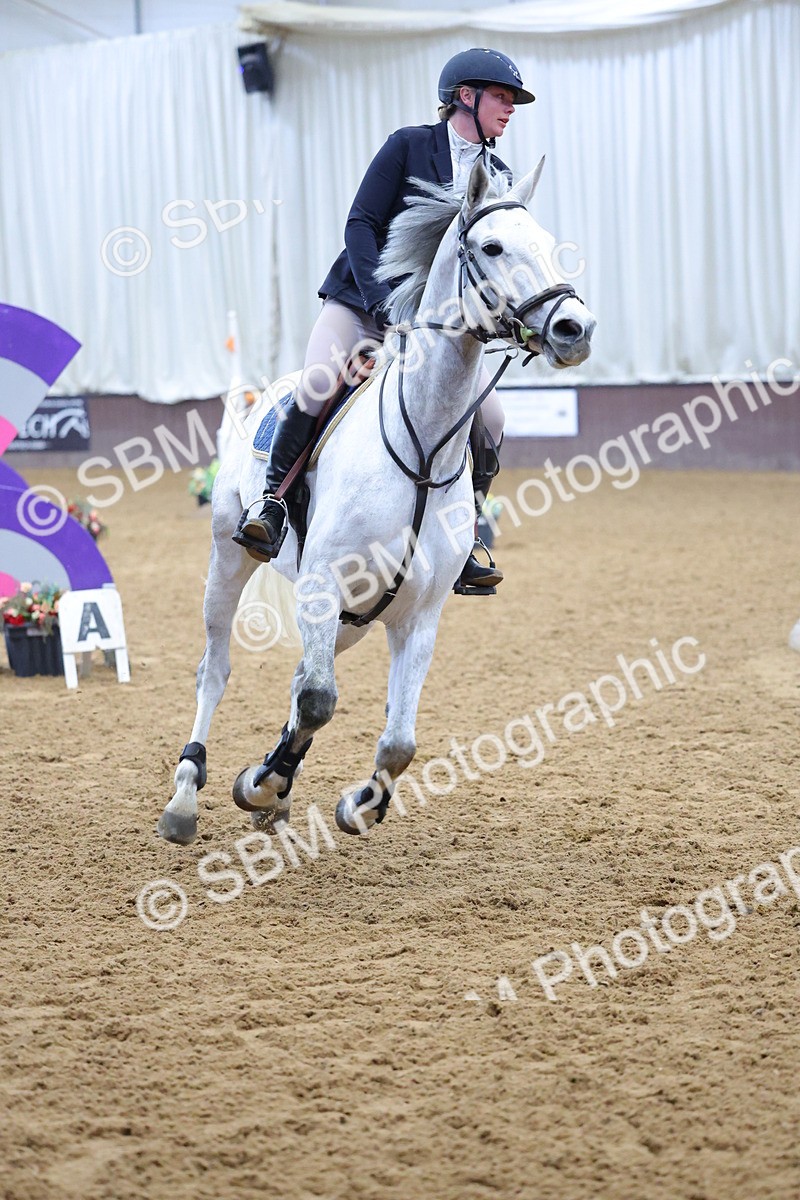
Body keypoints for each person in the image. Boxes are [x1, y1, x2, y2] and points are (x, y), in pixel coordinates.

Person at [234, 48, 535, 591]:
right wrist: (381, 302)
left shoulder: (500, 175)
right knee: (319, 383)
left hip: (435, 326)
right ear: (465, 97)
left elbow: (498, 261)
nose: (510, 108)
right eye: (502, 96)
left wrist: (518, 319)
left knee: (490, 420)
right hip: (363, 302)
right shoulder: (408, 145)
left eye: (512, 100)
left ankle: (464, 536)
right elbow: (361, 224)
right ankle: (272, 504)